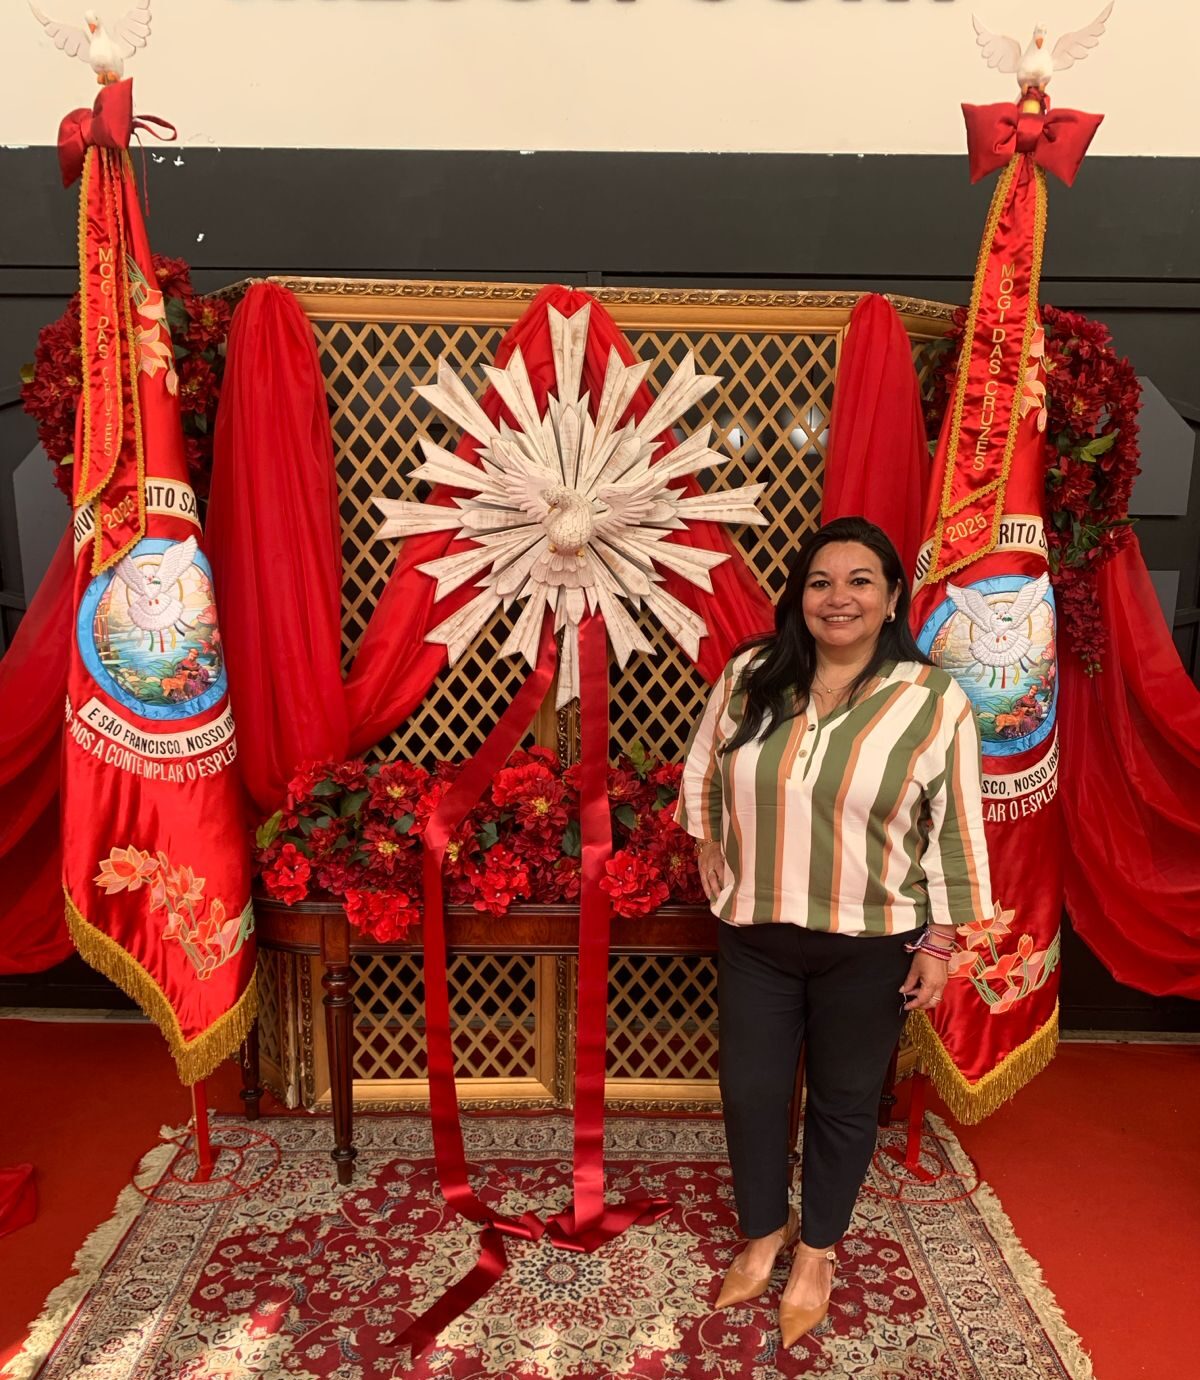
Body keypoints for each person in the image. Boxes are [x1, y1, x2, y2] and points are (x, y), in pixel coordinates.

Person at [676, 515, 992, 1348]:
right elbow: (706, 763)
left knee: (845, 1101)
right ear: (799, 596)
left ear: (892, 597)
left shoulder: (932, 700)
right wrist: (707, 837)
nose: (838, 597)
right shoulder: (753, 675)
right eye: (820, 582)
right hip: (756, 932)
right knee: (750, 1092)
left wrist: (940, 940)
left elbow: (956, 826)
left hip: (871, 941)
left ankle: (816, 1251)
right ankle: (762, 1231)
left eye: (859, 581)